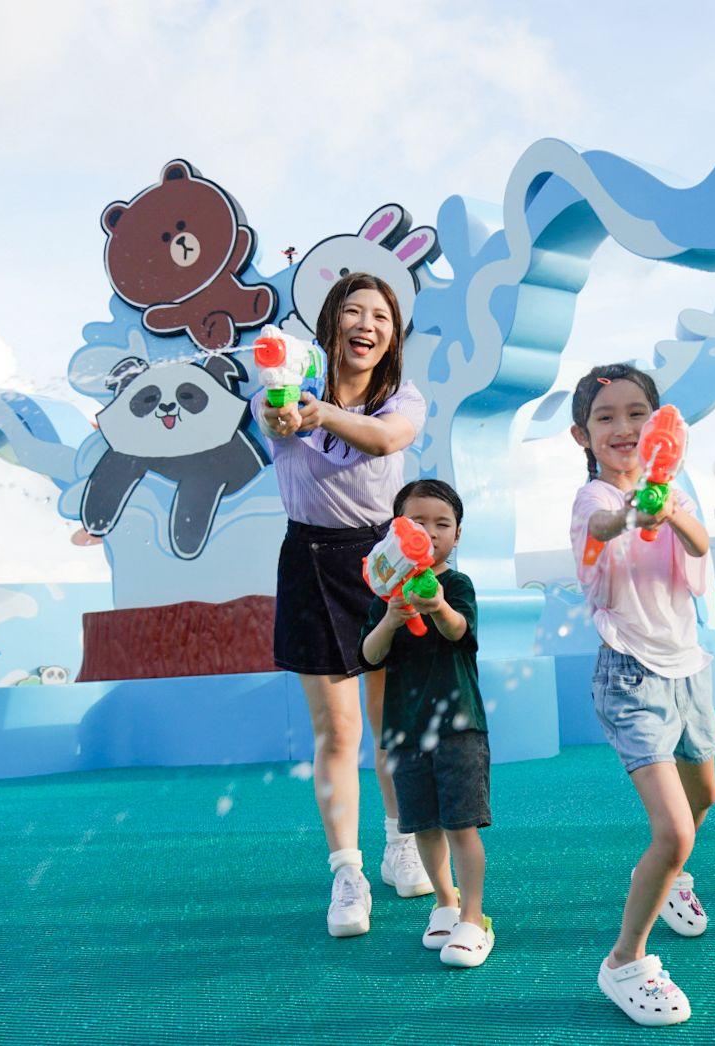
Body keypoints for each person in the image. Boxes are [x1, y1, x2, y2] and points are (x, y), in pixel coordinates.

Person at [254, 272, 431, 937]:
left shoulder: (403, 399)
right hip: (309, 562)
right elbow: (275, 416)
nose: (366, 324)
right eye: (352, 312)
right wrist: (286, 409)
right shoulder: (284, 390)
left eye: (380, 317)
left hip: (382, 563)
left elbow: (388, 440)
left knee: (390, 728)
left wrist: (321, 415)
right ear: (329, 327)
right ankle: (347, 873)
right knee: (338, 733)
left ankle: (399, 843)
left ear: (391, 338)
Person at [569, 364, 715, 1026]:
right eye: (606, 417)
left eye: (637, 414)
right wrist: (633, 510)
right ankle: (624, 960)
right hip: (630, 676)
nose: (623, 427)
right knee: (673, 830)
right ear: (583, 433)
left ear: (662, 427)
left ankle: (669, 877)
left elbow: (700, 546)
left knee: (704, 795)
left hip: (688, 667)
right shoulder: (592, 497)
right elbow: (599, 530)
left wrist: (672, 508)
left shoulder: (675, 484)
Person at [360, 478, 493, 968]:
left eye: (443, 524)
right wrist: (392, 618)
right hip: (406, 730)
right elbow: (369, 655)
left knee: (461, 824)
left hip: (458, 726)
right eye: (418, 522)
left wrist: (436, 605)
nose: (431, 532)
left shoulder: (456, 585)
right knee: (424, 826)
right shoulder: (384, 595)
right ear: (396, 529)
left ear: (457, 536)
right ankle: (445, 902)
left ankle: (475, 917)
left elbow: (459, 630)